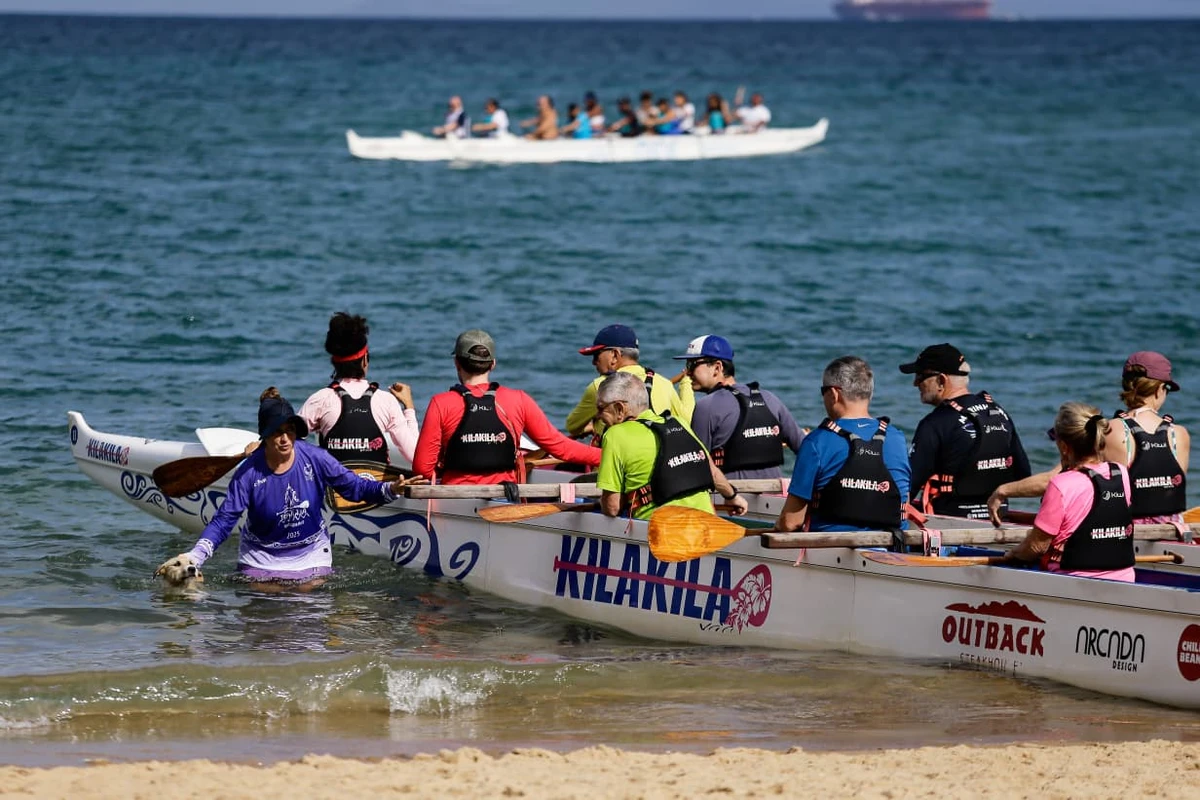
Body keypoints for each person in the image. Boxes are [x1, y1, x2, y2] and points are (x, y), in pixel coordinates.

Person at [156, 388, 424, 587]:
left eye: (290, 431)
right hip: (260, 557)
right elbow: (225, 519)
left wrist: (391, 489)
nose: (285, 439)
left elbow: (353, 488)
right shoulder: (248, 473)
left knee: (307, 601)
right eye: (276, 432)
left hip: (310, 555)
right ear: (264, 436)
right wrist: (197, 555)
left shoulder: (316, 458)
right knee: (263, 611)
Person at [987, 352, 1190, 529]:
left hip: (1122, 534)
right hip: (1173, 532)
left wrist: (1003, 491)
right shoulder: (1179, 435)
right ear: (1159, 389)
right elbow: (1166, 492)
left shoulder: (1108, 430)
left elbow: (1055, 480)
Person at [413, 330, 600, 484]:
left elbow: (422, 469)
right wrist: (607, 456)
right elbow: (560, 447)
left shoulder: (441, 403)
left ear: (456, 363)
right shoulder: (519, 400)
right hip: (503, 501)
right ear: (493, 364)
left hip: (454, 500)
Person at [1000, 403, 1135, 582]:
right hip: (1125, 577)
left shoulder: (1060, 485)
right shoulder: (1120, 473)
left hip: (1071, 582)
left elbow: (1037, 547)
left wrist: (1013, 554)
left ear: (1064, 446)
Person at [775, 356, 910, 533]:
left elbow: (790, 522)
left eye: (823, 391)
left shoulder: (817, 441)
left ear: (834, 393)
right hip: (891, 545)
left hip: (830, 546)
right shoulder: (897, 438)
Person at [900, 343, 1031, 520]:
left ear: (941, 380)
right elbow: (1024, 475)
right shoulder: (998, 413)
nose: (915, 383)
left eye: (920, 376)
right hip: (998, 519)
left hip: (950, 523)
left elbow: (908, 488)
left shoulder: (935, 423)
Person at [594, 372, 748, 520]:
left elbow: (612, 508)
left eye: (601, 408)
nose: (598, 416)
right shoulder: (678, 423)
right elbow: (712, 471)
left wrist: (602, 503)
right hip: (707, 523)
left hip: (663, 530)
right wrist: (732, 497)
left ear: (620, 409)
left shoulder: (614, 435)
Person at [672, 334, 804, 480]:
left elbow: (695, 467)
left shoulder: (706, 407)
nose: (688, 372)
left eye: (692, 365)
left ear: (717, 367)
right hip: (776, 492)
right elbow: (806, 448)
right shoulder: (769, 399)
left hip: (733, 493)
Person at [299, 312, 419, 467]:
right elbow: (416, 456)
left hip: (333, 483)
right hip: (375, 483)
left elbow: (289, 438)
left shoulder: (319, 400)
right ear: (365, 360)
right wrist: (409, 407)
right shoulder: (386, 402)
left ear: (334, 363)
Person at [565, 324, 693, 441]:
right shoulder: (664, 383)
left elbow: (573, 426)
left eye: (596, 355)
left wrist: (594, 425)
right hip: (658, 456)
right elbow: (687, 421)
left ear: (615, 355)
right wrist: (686, 381)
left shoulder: (601, 386)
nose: (594, 362)